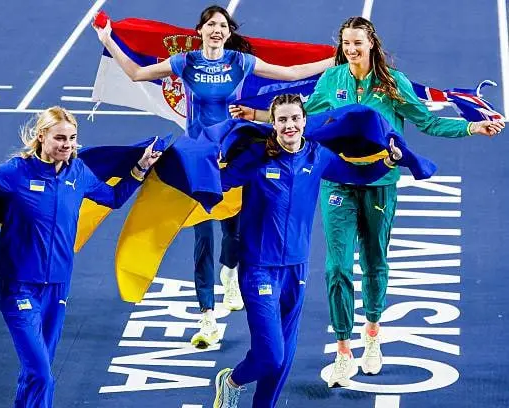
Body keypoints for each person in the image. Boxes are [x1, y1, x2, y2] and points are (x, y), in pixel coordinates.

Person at [229, 16, 504, 387]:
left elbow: (428, 123)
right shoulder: (332, 80)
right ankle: (343, 350)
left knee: (374, 262)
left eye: (357, 43)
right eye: (346, 44)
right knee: (337, 268)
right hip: (337, 181)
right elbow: (306, 121)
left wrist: (472, 127)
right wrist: (259, 116)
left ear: (372, 43)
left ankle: (372, 333)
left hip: (379, 181)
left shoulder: (393, 84)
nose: (351, 50)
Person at [94, 5, 335, 348]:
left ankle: (230, 271)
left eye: (222, 25)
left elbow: (290, 72)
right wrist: (108, 39)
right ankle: (207, 316)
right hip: (198, 162)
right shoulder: (185, 62)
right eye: (211, 24)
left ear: (228, 32)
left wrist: (334, 60)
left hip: (233, 157)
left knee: (234, 233)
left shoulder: (240, 62)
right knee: (203, 239)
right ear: (201, 31)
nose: (217, 29)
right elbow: (136, 73)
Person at [0, 106, 161, 408]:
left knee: (36, 373)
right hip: (20, 288)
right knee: (42, 375)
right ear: (41, 136)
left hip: (58, 288)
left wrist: (140, 168)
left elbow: (113, 198)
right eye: (60, 138)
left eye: (72, 138)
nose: (67, 145)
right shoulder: (16, 172)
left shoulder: (78, 173)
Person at [213, 94, 405, 408]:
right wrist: (198, 164)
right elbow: (220, 181)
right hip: (258, 267)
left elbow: (356, 175)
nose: (289, 125)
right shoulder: (256, 156)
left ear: (304, 121)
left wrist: (388, 161)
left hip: (296, 268)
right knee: (271, 355)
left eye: (294, 118)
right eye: (282, 120)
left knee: (285, 357)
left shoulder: (317, 156)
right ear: (273, 124)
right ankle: (232, 381)